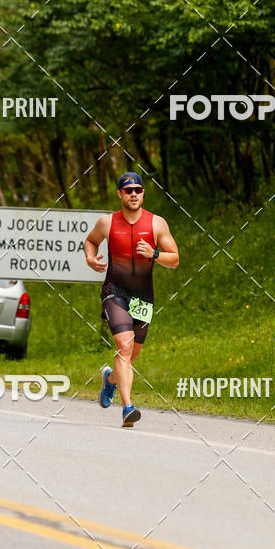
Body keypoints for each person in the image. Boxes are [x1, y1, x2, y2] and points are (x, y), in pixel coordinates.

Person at [85, 172, 179, 427]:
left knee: (131, 355)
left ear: (143, 193)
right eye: (128, 190)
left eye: (138, 189)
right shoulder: (107, 223)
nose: (134, 194)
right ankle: (128, 407)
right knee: (124, 347)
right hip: (115, 292)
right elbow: (91, 241)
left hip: (143, 297)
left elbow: (175, 259)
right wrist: (90, 258)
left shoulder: (157, 224)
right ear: (120, 194)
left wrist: (154, 253)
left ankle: (110, 378)